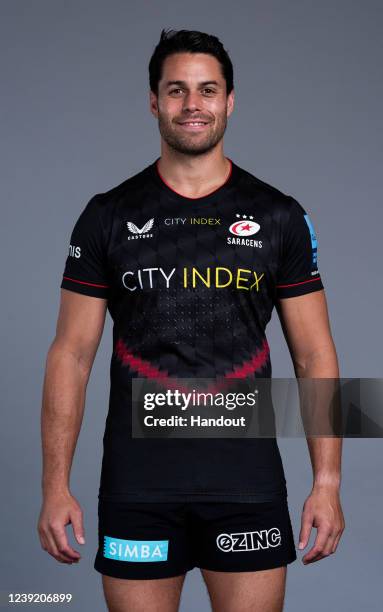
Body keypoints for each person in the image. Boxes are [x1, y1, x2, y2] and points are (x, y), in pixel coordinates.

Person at [38, 28, 345, 612]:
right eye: (176, 90)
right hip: (137, 484)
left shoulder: (279, 214)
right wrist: (54, 487)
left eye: (207, 90)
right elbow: (70, 355)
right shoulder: (107, 215)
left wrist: (327, 485)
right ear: (154, 101)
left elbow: (316, 355)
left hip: (247, 484)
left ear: (230, 101)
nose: (192, 104)